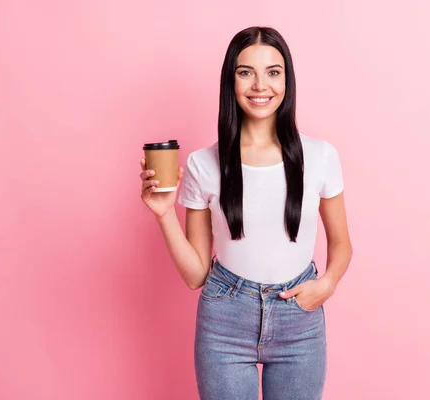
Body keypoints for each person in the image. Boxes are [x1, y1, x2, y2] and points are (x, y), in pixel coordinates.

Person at [139, 26, 352, 400]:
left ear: (287, 80)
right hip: (225, 320)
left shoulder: (321, 156)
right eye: (245, 72)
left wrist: (327, 284)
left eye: (273, 72)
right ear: (231, 81)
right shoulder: (203, 163)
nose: (260, 85)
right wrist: (163, 214)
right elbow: (195, 275)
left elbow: (342, 244)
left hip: (298, 320)